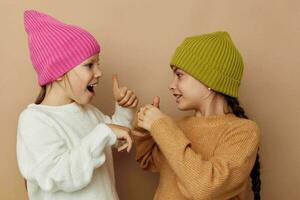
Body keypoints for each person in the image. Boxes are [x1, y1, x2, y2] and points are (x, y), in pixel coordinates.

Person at [17, 10, 138, 200]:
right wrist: (104, 132)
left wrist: (124, 109)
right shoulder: (35, 121)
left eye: (98, 64)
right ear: (58, 71)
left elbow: (118, 138)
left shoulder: (90, 113)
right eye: (90, 65)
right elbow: (59, 175)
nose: (99, 72)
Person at [134, 31, 261, 200]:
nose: (171, 85)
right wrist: (145, 128)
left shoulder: (244, 132)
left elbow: (205, 188)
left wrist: (161, 126)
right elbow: (147, 161)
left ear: (209, 81)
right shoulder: (177, 126)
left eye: (179, 75)